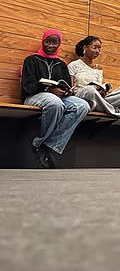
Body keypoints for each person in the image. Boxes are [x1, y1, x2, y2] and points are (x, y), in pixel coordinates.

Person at [21, 29, 90, 168]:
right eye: (48, 42)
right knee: (55, 103)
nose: (51, 46)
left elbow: (66, 86)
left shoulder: (61, 64)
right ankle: (43, 145)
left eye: (55, 43)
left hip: (57, 97)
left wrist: (66, 92)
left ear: (59, 45)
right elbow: (28, 86)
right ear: (43, 41)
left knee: (83, 106)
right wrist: (48, 89)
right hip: (34, 96)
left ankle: (48, 145)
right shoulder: (31, 60)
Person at [67, 35, 120, 116]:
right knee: (90, 89)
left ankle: (98, 107)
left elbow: (99, 85)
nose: (97, 51)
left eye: (99, 49)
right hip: (81, 97)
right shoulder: (73, 65)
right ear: (85, 47)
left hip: (96, 99)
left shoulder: (99, 68)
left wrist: (102, 91)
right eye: (94, 47)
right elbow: (70, 89)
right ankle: (113, 110)